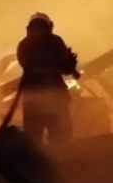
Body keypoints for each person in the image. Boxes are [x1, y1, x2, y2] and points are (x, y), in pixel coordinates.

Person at [16, 12, 80, 145]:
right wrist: (69, 63)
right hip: (55, 99)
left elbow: (27, 65)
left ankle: (37, 164)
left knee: (34, 145)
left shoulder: (23, 45)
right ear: (49, 26)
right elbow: (65, 68)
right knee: (61, 141)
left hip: (33, 103)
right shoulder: (55, 41)